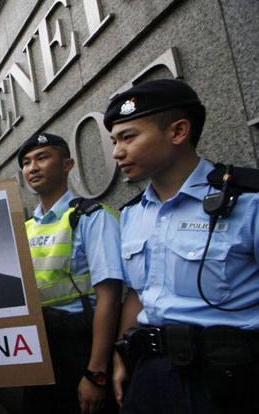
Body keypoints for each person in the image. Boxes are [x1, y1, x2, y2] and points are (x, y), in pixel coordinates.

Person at [105, 79, 259, 413]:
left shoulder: (248, 200)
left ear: (178, 132)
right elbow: (136, 293)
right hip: (149, 374)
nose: (117, 152)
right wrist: (121, 357)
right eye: (115, 140)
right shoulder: (132, 214)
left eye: (129, 137)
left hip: (229, 377)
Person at [18, 133, 123, 414]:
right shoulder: (24, 229)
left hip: (82, 345)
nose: (33, 168)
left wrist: (96, 373)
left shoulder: (92, 216)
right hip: (40, 349)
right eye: (26, 162)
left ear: (67, 164)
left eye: (42, 157)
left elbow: (110, 300)